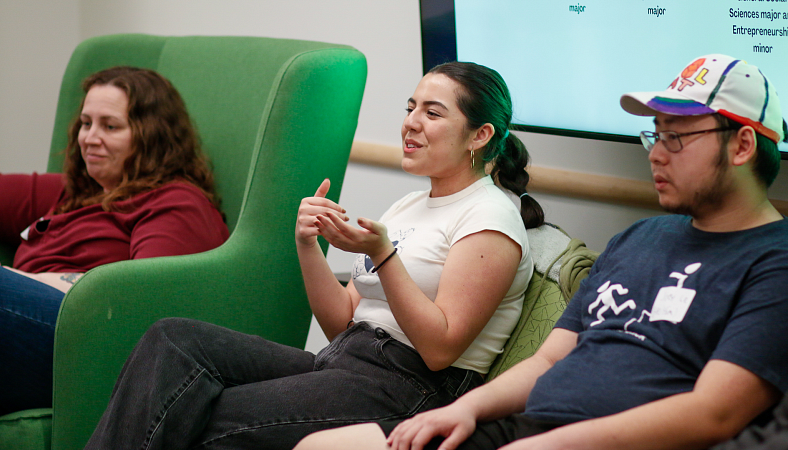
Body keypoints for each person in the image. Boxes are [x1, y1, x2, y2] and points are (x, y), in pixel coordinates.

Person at [294, 54, 788, 450]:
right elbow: (549, 359)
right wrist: (465, 410)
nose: (656, 153)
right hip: (526, 426)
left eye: (677, 138)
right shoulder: (639, 239)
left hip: (591, 440)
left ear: (742, 145)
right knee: (321, 446)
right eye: (654, 135)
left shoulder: (773, 263)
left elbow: (713, 413)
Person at [82, 61, 545, 450]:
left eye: (433, 112)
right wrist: (309, 244)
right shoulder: (411, 204)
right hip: (345, 359)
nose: (411, 122)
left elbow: (441, 348)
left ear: (479, 134)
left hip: (412, 386)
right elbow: (342, 322)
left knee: (200, 413)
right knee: (172, 340)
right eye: (410, 107)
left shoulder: (491, 217)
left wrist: (383, 254)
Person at [0, 66, 229, 419]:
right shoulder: (76, 191)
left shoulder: (175, 201)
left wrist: (6, 281)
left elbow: (136, 302)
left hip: (83, 342)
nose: (89, 137)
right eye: (86, 123)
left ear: (152, 136)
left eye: (110, 126)